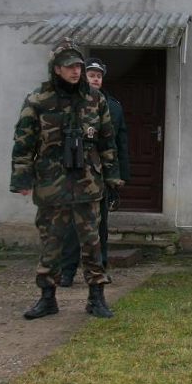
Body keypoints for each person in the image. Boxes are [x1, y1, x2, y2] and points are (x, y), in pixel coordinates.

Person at [10, 38, 118, 319]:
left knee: (92, 243)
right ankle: (47, 298)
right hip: (51, 184)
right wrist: (21, 179)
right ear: (56, 69)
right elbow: (23, 143)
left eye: (78, 67)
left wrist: (112, 179)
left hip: (88, 183)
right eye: (69, 67)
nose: (75, 72)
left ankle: (96, 298)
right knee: (51, 242)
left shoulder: (95, 99)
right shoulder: (38, 100)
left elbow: (108, 141)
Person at [59, 57, 129, 285]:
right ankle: (67, 271)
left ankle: (100, 269)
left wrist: (120, 175)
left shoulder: (114, 106)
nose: (95, 78)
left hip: (100, 175)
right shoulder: (71, 102)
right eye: (91, 74)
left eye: (98, 75)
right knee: (72, 226)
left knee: (100, 226)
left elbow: (119, 143)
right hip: (75, 174)